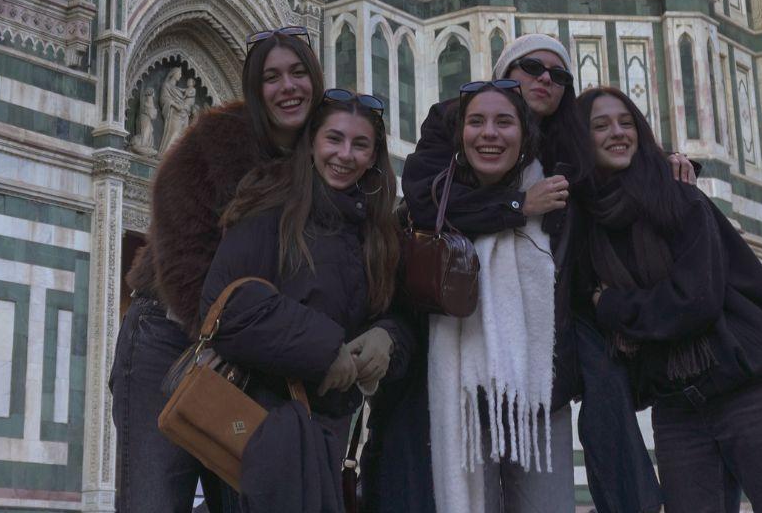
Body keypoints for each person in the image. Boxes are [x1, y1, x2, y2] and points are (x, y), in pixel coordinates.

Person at [367, 34, 689, 513]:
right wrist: (516, 205)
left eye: (559, 76)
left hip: (541, 363)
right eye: (532, 67)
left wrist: (664, 166)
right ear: (502, 72)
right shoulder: (453, 123)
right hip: (457, 355)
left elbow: (612, 178)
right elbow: (429, 200)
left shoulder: (566, 149)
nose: (545, 80)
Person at [574, 86, 762, 513]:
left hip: (748, 390)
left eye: (626, 122)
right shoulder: (586, 231)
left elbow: (695, 301)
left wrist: (613, 307)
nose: (617, 132)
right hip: (677, 409)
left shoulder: (681, 198)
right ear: (581, 140)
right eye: (600, 125)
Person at [111, 26, 323, 513]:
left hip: (257, 353)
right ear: (254, 87)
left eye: (297, 73)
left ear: (315, 78)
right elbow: (184, 265)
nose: (287, 87)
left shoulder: (328, 154)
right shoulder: (218, 138)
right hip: (169, 338)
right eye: (271, 77)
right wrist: (254, 337)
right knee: (155, 500)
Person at [201, 91, 412, 512]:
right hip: (258, 423)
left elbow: (393, 315)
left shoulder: (378, 231)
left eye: (360, 145)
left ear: (374, 157)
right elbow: (227, 306)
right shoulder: (272, 205)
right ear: (312, 141)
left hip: (328, 430)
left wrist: (387, 340)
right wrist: (323, 349)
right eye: (334, 139)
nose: (345, 155)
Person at [426, 79, 576, 513]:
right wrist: (517, 205)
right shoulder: (436, 202)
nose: (489, 133)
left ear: (525, 136)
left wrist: (673, 167)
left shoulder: (558, 201)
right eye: (476, 122)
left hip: (541, 397)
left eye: (504, 122)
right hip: (461, 397)